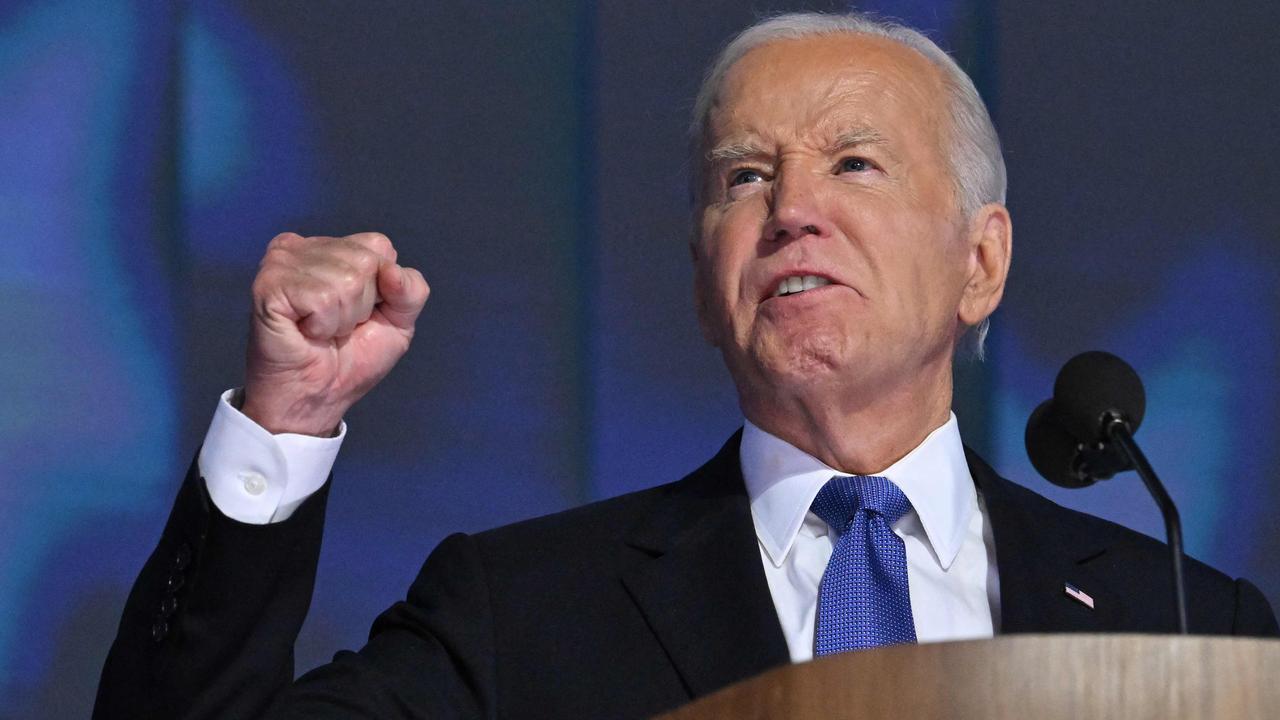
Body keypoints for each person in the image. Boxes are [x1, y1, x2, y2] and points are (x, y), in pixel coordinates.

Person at [94, 11, 1277, 720]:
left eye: (853, 165)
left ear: (980, 262)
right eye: (741, 177)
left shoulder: (1182, 625)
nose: (791, 211)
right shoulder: (520, 615)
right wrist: (281, 425)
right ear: (702, 280)